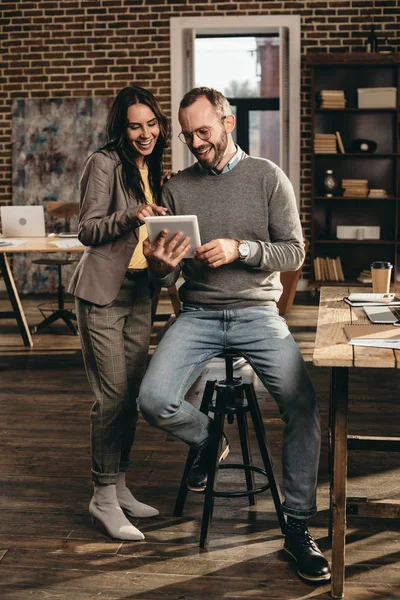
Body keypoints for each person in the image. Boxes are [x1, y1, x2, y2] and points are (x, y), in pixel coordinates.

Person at [138, 87, 331, 583]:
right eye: (187, 136)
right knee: (154, 400)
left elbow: (294, 253)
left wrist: (241, 249)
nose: (196, 143)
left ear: (228, 122)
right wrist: (160, 268)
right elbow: (166, 276)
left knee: (304, 408)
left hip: (257, 314)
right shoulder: (177, 187)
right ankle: (207, 439)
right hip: (199, 313)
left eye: (204, 132)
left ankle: (297, 525)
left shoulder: (268, 176)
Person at [68, 86, 170, 541]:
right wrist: (133, 214)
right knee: (111, 398)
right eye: (135, 125)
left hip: (140, 293)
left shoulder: (153, 168)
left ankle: (120, 486)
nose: (145, 133)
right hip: (103, 295)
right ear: (121, 127)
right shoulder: (104, 162)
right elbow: (87, 230)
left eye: (151, 124)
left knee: (129, 396)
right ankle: (102, 497)